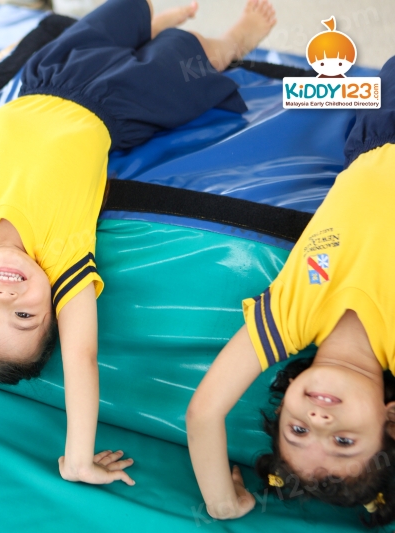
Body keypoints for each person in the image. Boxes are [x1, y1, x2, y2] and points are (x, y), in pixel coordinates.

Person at [0, 0, 276, 485]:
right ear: (52, 306)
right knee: (193, 60)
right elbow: (82, 360)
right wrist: (76, 460)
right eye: (24, 317)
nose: (5, 299)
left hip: (46, 79)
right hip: (124, 104)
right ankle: (235, 40)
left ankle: (153, 24)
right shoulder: (64, 265)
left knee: (121, 13)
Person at [187, 57, 395, 526]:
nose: (320, 425)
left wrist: (223, 504)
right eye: (345, 442)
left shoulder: (288, 320)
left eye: (297, 430)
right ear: (390, 421)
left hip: (379, 134)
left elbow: (202, 414)